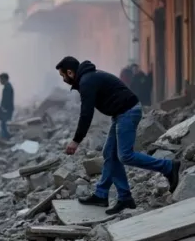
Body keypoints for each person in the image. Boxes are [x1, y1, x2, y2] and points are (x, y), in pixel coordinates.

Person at [56, 56, 181, 215]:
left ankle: (169, 167)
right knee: (109, 153)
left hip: (127, 112)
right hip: (121, 113)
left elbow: (86, 114)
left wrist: (76, 141)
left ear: (70, 72)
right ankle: (109, 196)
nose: (63, 79)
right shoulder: (88, 78)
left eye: (63, 76)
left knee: (125, 155)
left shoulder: (87, 81)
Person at [0, 73, 15, 139]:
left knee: (4, 124)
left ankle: (6, 138)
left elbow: (6, 99)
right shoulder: (7, 86)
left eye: (0, 79)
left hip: (7, 109)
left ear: (4, 79)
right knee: (3, 124)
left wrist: (3, 108)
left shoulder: (8, 87)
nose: (0, 81)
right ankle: (6, 137)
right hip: (7, 108)